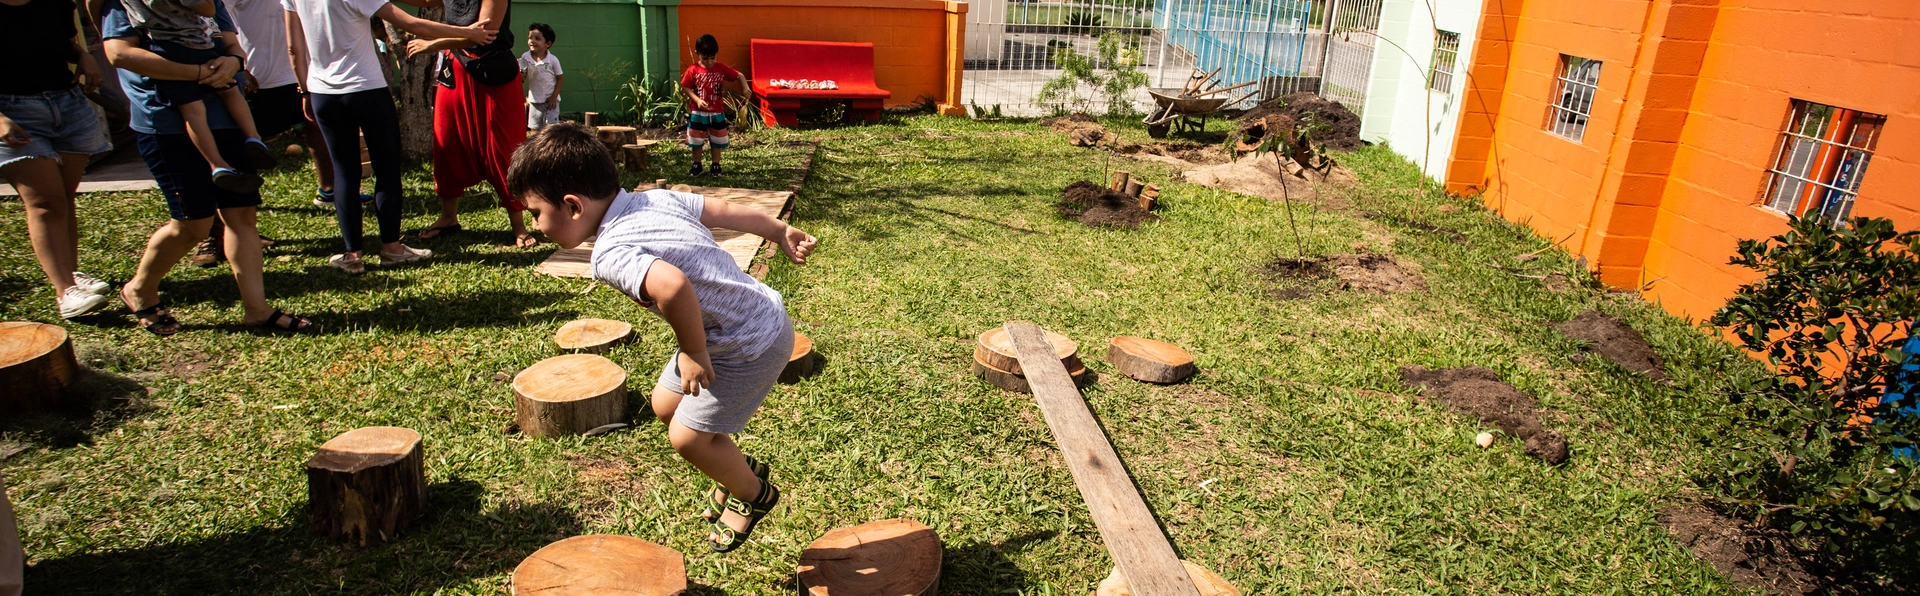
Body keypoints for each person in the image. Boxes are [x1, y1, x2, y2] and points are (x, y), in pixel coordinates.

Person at [506, 123, 816, 552]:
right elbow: (723, 211)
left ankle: (753, 493)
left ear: (573, 206)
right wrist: (777, 230)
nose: (537, 225)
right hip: (749, 316)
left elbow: (672, 287)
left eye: (537, 212)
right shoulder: (653, 197)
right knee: (665, 405)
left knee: (687, 439)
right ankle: (735, 468)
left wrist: (693, 351)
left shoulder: (610, 252)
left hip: (749, 342)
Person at [100, 0, 314, 334]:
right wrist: (198, 73)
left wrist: (232, 62)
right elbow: (119, 54)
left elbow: (230, 41)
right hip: (167, 121)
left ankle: (257, 309)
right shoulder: (126, 3)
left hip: (225, 117)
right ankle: (140, 288)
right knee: (193, 224)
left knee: (242, 216)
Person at [285, 0, 494, 273]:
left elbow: (293, 47)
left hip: (323, 92)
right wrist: (469, 33)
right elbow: (410, 23)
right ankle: (391, 249)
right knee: (386, 170)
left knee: (344, 173)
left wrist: (304, 90)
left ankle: (352, 255)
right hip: (366, 89)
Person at [190, 0, 364, 268]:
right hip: (259, 78)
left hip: (304, 72)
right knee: (235, 153)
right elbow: (216, 22)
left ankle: (329, 190)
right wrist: (239, 66)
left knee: (317, 128)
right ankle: (214, 233)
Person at [2, 0, 118, 319]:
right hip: (13, 112)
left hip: (67, 104)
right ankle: (65, 292)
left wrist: (83, 57)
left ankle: (71, 275)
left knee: (63, 199)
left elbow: (61, 42)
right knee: (44, 203)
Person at [401, 0, 536, 248]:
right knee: (447, 141)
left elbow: (482, 35)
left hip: (493, 72)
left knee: (503, 148)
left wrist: (432, 44)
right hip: (456, 71)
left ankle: (518, 224)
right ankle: (448, 217)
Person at [118, 0, 279, 193]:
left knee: (193, 111)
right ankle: (253, 138)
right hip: (196, 45)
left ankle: (217, 165)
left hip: (162, 50)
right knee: (229, 91)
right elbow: (207, 9)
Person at [679, 33, 743, 179]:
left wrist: (745, 87)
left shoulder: (720, 68)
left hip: (717, 112)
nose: (709, 62)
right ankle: (697, 165)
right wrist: (697, 100)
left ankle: (716, 164)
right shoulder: (693, 70)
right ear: (697, 54)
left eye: (712, 58)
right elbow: (686, 88)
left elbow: (738, 75)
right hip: (698, 112)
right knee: (696, 140)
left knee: (717, 140)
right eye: (704, 58)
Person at [519, 22, 561, 130]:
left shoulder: (553, 60)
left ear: (547, 44)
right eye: (530, 38)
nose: (532, 41)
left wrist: (554, 97)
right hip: (534, 100)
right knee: (536, 129)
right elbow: (522, 78)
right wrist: (521, 76)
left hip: (550, 102)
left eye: (537, 38)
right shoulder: (525, 57)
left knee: (551, 129)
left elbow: (560, 79)